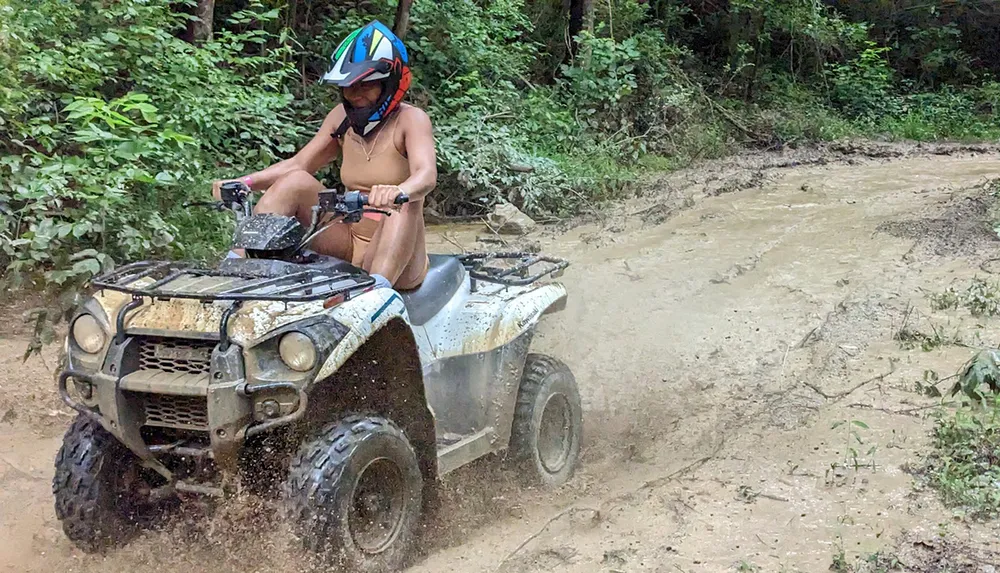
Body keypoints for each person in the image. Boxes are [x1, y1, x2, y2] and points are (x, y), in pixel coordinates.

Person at [211, 20, 437, 290]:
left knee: (407, 202)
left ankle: (376, 292)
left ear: (389, 83)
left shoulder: (412, 120)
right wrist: (244, 183)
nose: (354, 94)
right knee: (294, 181)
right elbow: (299, 164)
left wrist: (398, 191)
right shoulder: (341, 119)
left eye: (366, 85)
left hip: (399, 250)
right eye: (349, 86)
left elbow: (426, 174)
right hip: (348, 239)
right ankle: (237, 270)